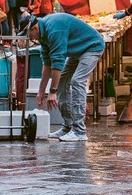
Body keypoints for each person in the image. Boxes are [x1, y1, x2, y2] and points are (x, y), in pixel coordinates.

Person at [18, 12, 104, 142]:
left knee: (77, 81)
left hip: (92, 46)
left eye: (29, 35)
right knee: (63, 81)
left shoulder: (54, 29)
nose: (29, 38)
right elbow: (47, 64)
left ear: (34, 28)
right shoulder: (43, 34)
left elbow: (57, 63)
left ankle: (79, 131)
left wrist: (52, 92)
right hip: (77, 51)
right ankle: (68, 126)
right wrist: (41, 92)